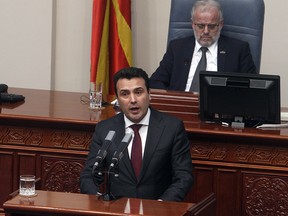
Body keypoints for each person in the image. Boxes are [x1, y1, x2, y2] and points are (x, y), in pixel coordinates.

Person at [80, 67, 193, 201]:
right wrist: (99, 201)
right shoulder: (105, 129)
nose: (133, 100)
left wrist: (162, 205)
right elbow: (89, 175)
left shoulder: (172, 128)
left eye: (138, 92)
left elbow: (183, 176)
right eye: (125, 94)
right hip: (117, 210)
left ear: (149, 94)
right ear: (117, 99)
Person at [149, 0, 256, 92]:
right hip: (180, 109)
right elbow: (156, 82)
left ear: (221, 24)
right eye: (200, 26)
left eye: (211, 26)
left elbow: (251, 87)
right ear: (192, 24)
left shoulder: (238, 50)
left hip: (219, 110)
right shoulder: (177, 48)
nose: (205, 31)